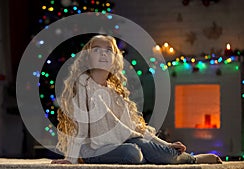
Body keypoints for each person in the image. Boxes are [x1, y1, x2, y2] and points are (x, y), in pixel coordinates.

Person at [51, 35, 222, 164]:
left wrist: (166, 144)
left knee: (143, 146)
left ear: (115, 59)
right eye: (96, 49)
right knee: (132, 152)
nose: (103, 53)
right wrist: (71, 159)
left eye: (108, 50)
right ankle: (156, 157)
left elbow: (134, 128)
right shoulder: (83, 85)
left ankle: (193, 160)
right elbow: (79, 127)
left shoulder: (115, 93)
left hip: (126, 141)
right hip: (94, 150)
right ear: (87, 58)